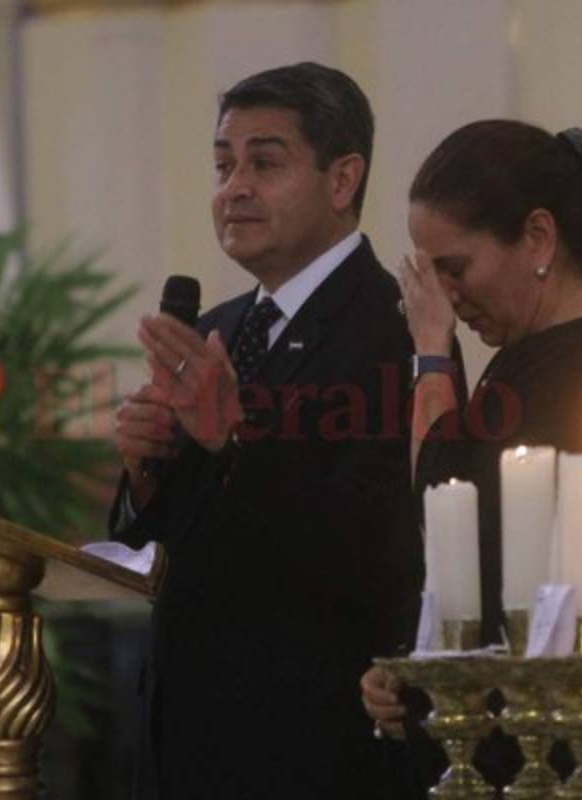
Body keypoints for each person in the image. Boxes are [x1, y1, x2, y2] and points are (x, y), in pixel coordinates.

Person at [110, 62, 421, 799]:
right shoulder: (218, 329)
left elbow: (374, 545)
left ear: (342, 181)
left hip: (313, 745)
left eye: (264, 163)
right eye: (223, 165)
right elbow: (175, 537)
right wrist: (146, 470)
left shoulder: (392, 327)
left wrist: (234, 436)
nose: (233, 188)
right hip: (189, 735)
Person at [359, 120, 582, 792]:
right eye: (431, 273)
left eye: (455, 267)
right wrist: (417, 673)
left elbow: (445, 494)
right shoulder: (535, 355)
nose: (446, 295)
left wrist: (429, 352)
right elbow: (457, 555)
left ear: (538, 237)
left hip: (563, 742)